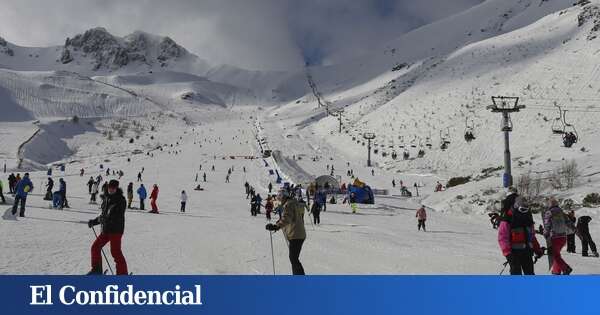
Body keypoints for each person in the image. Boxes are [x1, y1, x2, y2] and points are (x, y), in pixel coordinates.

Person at [87, 180, 128, 275]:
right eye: (110, 187)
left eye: (113, 188)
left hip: (116, 230)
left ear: (116, 188)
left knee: (115, 252)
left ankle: (122, 274)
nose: (111, 189)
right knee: (95, 247)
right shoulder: (106, 198)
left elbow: (118, 215)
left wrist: (106, 219)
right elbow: (103, 215)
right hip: (106, 229)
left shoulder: (120, 200)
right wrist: (94, 221)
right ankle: (96, 270)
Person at [498, 197, 544, 275]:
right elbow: (502, 237)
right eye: (522, 209)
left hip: (527, 251)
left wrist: (537, 249)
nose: (524, 212)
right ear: (516, 207)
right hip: (514, 253)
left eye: (526, 209)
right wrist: (508, 253)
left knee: (530, 273)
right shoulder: (508, 218)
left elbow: (531, 236)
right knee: (516, 273)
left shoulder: (528, 218)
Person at [266, 190, 307, 275]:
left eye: (280, 198)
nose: (280, 200)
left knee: (293, 258)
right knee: (293, 258)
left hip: (295, 234)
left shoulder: (289, 204)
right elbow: (287, 217)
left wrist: (276, 226)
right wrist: (278, 223)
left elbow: (287, 218)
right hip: (297, 234)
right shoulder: (292, 203)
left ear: (283, 197)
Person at [543, 198, 573, 275]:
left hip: (554, 237)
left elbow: (547, 225)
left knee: (554, 255)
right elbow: (569, 223)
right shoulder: (562, 212)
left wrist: (545, 234)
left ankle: (566, 268)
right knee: (557, 254)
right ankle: (556, 271)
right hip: (563, 237)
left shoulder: (549, 213)